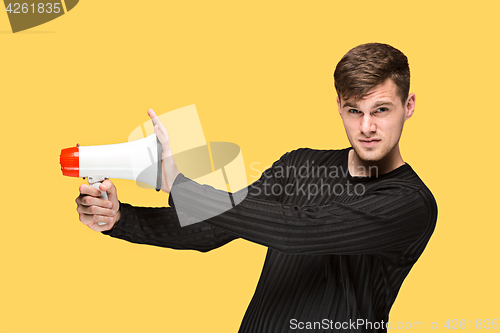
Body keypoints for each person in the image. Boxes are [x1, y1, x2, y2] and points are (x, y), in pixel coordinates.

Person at [76, 42, 438, 332]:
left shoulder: (410, 203)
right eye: (354, 110)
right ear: (339, 108)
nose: (367, 127)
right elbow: (210, 229)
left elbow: (301, 231)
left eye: (381, 110)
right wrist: (120, 218)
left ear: (408, 107)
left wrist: (182, 186)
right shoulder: (301, 164)